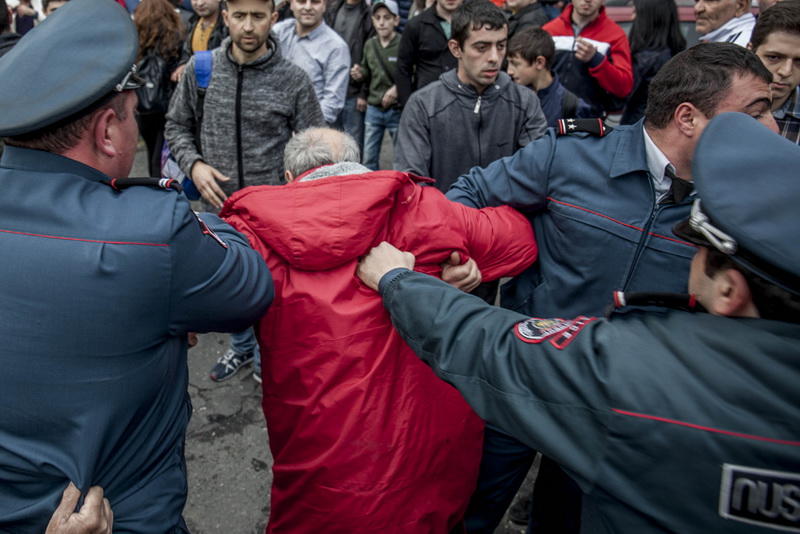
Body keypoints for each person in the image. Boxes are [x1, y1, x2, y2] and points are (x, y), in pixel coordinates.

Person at [357, 111, 800, 534]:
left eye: (699, 251)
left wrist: (399, 281)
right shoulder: (571, 153)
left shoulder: (638, 372)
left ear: (728, 291)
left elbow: (492, 346)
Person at [443, 42, 778, 534]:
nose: (772, 131)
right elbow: (465, 196)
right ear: (688, 118)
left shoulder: (741, 212)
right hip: (521, 377)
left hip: (619, 410)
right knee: (467, 510)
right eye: (755, 113)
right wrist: (465, 256)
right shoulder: (568, 155)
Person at [0, 0, 273, 531]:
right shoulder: (153, 232)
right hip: (124, 516)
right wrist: (187, 247)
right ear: (107, 131)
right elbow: (250, 284)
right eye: (129, 114)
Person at [220, 126, 538, 533]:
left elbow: (200, 294)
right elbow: (520, 239)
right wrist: (457, 270)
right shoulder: (425, 210)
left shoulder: (254, 236)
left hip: (323, 472)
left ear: (288, 178)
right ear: (360, 168)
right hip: (431, 463)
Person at [165, 0, 323, 383]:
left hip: (275, 216)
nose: (248, 27)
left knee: (273, 289)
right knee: (230, 286)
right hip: (218, 210)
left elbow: (315, 149)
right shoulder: (202, 70)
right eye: (239, 16)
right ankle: (241, 348)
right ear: (226, 18)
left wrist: (292, 189)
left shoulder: (293, 79)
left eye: (257, 16)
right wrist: (195, 165)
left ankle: (271, 355)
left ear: (273, 18)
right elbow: (177, 126)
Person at [395, 0, 547, 192]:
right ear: (456, 48)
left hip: (506, 219)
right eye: (481, 47)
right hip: (444, 219)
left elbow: (537, 172)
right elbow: (412, 185)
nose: (493, 57)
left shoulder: (525, 102)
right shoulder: (423, 105)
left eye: (500, 46)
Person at [543, 0, 633, 116]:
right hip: (548, 115)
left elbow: (623, 87)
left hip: (588, 121)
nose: (587, 0)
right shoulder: (550, 30)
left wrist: (596, 60)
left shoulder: (615, 35)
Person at [272, 0, 351, 125]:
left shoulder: (336, 48)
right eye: (301, 1)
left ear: (324, 5)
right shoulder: (279, 32)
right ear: (291, 4)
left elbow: (332, 103)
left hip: (308, 131)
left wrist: (306, 132)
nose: (308, 7)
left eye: (315, 2)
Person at [134, 0, 184, 177]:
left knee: (151, 150)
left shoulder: (138, 40)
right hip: (166, 103)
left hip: (143, 105)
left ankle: (154, 183)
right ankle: (162, 185)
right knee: (161, 150)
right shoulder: (173, 38)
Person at [350, 0, 401, 170]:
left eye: (387, 17)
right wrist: (360, 72)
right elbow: (367, 72)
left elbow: (409, 73)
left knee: (400, 158)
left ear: (396, 20)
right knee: (369, 158)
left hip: (396, 110)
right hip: (374, 108)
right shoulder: (370, 45)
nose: (382, 22)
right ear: (372, 21)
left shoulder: (402, 44)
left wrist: (397, 88)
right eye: (377, 18)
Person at [507, 27, 592, 126]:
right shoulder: (509, 97)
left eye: (515, 64)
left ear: (539, 62)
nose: (509, 71)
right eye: (508, 63)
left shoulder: (572, 107)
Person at [620, 0, 685, 125]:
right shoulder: (675, 55)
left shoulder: (647, 59)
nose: (632, 17)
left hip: (639, 126)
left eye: (635, 11)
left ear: (648, 17)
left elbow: (619, 96)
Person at [750, 0, 800, 144]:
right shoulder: (716, 107)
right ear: (750, 50)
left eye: (799, 61)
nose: (786, 71)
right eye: (774, 57)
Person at [395, 0, 463, 106]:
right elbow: (403, 69)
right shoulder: (416, 25)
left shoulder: (475, 24)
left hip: (465, 103)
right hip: (427, 104)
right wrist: (408, 106)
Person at [324, 0, 372, 146]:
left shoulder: (368, 14)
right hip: (331, 90)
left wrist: (364, 93)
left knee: (353, 146)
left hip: (354, 92)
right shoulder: (332, 10)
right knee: (331, 145)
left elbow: (371, 57)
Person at [171, 0, 227, 82]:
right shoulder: (191, 22)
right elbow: (187, 53)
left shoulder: (228, 27)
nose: (199, 3)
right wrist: (183, 65)